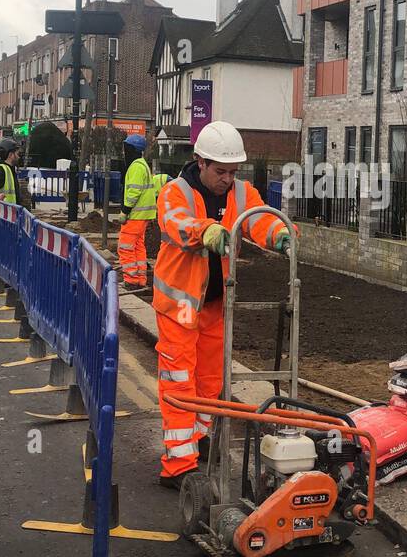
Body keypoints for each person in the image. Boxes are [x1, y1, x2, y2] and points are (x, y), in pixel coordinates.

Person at [152, 120, 291, 488]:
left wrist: (279, 234)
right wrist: (206, 231)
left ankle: (199, 441)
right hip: (181, 305)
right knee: (179, 378)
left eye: (233, 172)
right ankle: (178, 462)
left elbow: (258, 218)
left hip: (215, 303)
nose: (227, 179)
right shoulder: (175, 191)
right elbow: (175, 224)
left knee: (211, 379)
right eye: (220, 171)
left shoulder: (242, 194)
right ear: (200, 162)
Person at [117, 133, 163, 288]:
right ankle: (140, 279)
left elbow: (133, 192)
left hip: (135, 215)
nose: (124, 152)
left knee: (125, 247)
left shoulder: (136, 166)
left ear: (132, 150)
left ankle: (131, 280)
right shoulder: (143, 164)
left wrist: (125, 210)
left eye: (126, 149)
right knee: (138, 247)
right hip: (143, 216)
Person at [0, 137, 32, 208]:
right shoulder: (1, 169)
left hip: (11, 211)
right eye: (17, 154)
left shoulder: (11, 168)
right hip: (4, 212)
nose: (19, 157)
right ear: (11, 155)